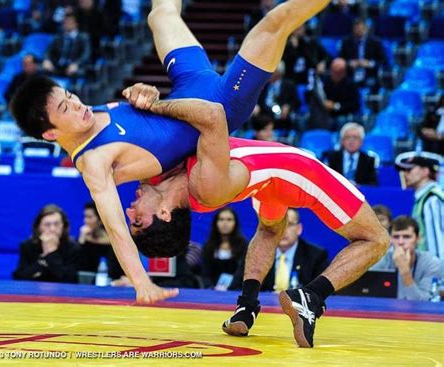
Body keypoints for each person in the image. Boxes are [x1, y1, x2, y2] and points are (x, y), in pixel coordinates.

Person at [9, 0, 385, 305]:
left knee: (160, 16)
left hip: (187, 90)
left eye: (70, 95)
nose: (77, 103)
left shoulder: (86, 115)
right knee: (276, 22)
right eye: (65, 108)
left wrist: (144, 93)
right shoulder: (95, 163)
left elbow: (144, 114)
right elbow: (117, 227)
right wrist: (142, 283)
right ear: (49, 134)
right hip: (218, 105)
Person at [126, 95, 388, 348]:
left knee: (270, 228)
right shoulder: (201, 186)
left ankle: (246, 306)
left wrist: (143, 99)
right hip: (294, 169)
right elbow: (211, 113)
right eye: (138, 220)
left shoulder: (154, 180)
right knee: (376, 239)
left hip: (265, 183)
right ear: (164, 214)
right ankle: (312, 295)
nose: (129, 212)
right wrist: (155, 104)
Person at [230, 209, 329, 292]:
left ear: (299, 229)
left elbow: (323, 293)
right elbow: (236, 289)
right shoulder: (255, 253)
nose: (283, 230)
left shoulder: (316, 256)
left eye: (289, 224)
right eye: (278, 224)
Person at [371, 216, 442, 300]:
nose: (401, 242)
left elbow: (423, 303)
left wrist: (404, 271)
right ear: (390, 239)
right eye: (396, 237)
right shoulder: (380, 259)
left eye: (407, 237)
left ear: (418, 239)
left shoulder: (432, 263)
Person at [13, 204, 81, 283]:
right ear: (38, 227)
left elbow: (69, 280)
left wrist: (52, 253)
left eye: (57, 224)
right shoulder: (27, 246)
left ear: (64, 226)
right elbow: (19, 278)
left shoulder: (73, 248)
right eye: (47, 225)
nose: (52, 229)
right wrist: (43, 260)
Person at [395, 152, 444, 260]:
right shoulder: (424, 198)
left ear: (425, 171)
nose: (405, 174)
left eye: (409, 170)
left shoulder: (431, 200)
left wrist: (437, 274)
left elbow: (437, 243)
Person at [308, 57, 361, 130]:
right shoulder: (327, 81)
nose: (333, 74)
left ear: (343, 73)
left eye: (337, 72)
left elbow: (355, 105)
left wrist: (336, 106)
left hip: (343, 114)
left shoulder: (351, 85)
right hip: (326, 113)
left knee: (340, 121)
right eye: (332, 71)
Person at [201, 208, 248, 290]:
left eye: (229, 220)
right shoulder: (208, 247)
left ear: (235, 223)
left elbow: (244, 273)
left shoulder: (244, 246)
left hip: (237, 290)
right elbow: (205, 274)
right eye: (221, 219)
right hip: (213, 291)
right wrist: (211, 288)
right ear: (216, 223)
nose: (225, 223)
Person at [338, 18, 388, 92]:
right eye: (357, 28)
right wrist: (349, 63)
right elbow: (340, 60)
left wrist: (369, 64)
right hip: (351, 74)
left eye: (361, 28)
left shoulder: (375, 42)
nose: (359, 31)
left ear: (366, 29)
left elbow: (384, 61)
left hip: (369, 74)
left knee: (372, 84)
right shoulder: (346, 42)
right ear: (353, 29)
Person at [42, 12, 91, 77]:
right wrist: (47, 60)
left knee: (79, 72)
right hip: (57, 66)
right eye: (65, 22)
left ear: (76, 23)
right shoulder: (58, 36)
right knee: (41, 69)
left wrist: (77, 64)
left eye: (70, 22)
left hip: (74, 66)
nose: (67, 24)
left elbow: (86, 55)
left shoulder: (83, 37)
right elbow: (48, 51)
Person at [256, 60, 299, 131]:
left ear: (279, 73)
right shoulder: (264, 84)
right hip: (264, 115)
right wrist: (256, 105)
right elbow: (258, 100)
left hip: (281, 116)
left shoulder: (289, 85)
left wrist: (288, 106)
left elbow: (296, 102)